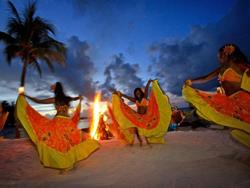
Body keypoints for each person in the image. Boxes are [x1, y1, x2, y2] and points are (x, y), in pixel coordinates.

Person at [16, 82, 99, 170]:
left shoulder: (55, 99)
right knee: (69, 142)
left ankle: (66, 164)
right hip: (67, 122)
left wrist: (25, 95)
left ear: (56, 90)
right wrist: (79, 98)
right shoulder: (67, 98)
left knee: (59, 142)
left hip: (58, 121)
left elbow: (39, 101)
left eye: (53, 88)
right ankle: (68, 163)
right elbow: (74, 98)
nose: (52, 89)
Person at [183, 43, 250, 147]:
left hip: (242, 99)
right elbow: (205, 78)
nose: (219, 58)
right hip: (230, 101)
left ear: (227, 54)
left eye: (220, 56)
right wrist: (191, 81)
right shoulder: (220, 69)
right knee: (235, 125)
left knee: (245, 124)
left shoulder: (238, 65)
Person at [111, 79, 172, 146]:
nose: (137, 93)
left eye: (138, 92)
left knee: (146, 128)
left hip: (146, 115)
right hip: (138, 116)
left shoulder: (144, 97)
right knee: (135, 127)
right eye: (136, 93)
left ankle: (146, 140)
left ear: (140, 92)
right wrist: (121, 94)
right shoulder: (135, 100)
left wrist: (148, 83)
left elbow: (146, 90)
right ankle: (138, 140)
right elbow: (128, 97)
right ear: (135, 94)